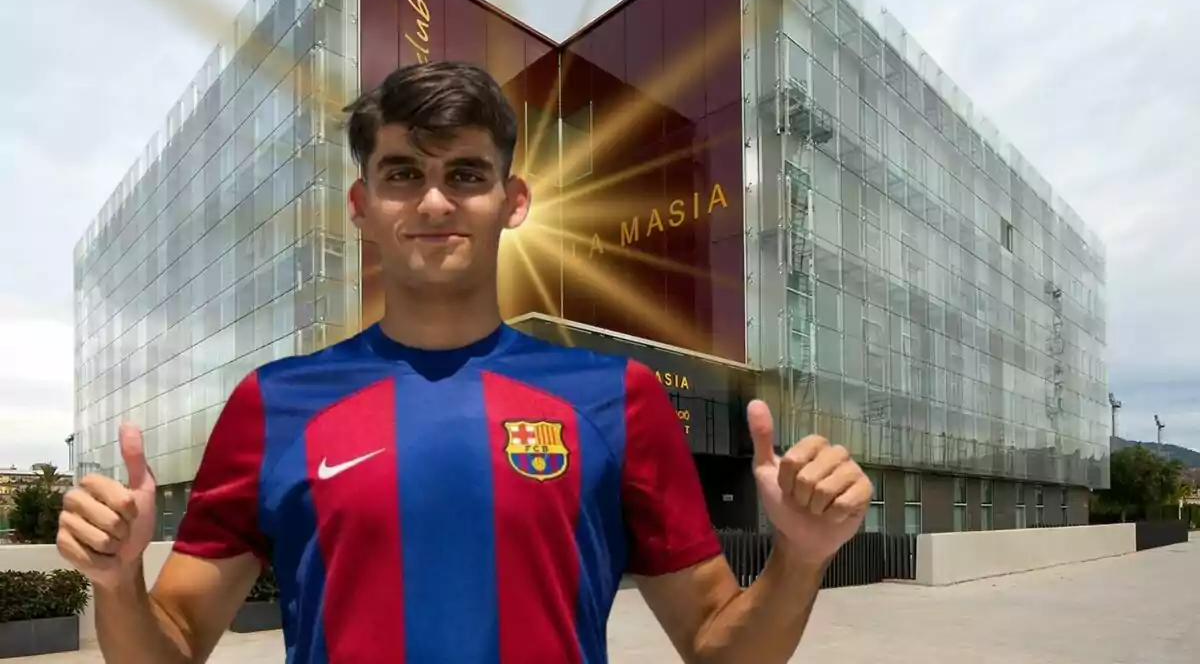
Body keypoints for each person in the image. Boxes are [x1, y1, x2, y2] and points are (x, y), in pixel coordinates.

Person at [56, 61, 873, 664]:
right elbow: (173, 648)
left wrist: (799, 558)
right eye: (403, 174)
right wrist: (120, 582)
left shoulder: (614, 399)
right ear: (362, 207)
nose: (436, 201)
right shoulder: (274, 405)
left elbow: (714, 643)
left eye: (466, 174)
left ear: (512, 203)